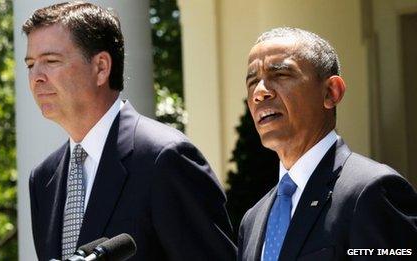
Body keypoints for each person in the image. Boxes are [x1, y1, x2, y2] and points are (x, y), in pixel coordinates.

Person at [23, 2, 236, 260]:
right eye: (30, 64)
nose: (36, 77)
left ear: (101, 67)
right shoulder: (43, 178)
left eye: (51, 61)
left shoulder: (163, 157)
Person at [238, 27, 417, 261]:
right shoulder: (253, 219)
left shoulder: (372, 191)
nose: (260, 92)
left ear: (331, 92)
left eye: (280, 75)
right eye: (252, 82)